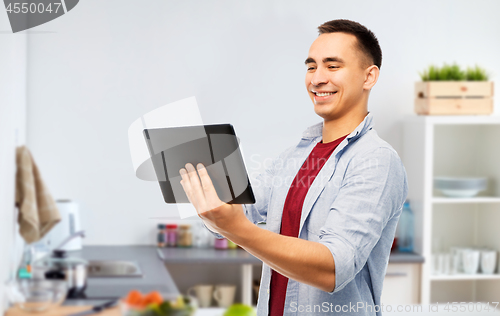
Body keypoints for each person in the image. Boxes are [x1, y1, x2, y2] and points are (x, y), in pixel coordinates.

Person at [179, 19, 408, 316]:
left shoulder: (377, 160)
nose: (317, 78)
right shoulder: (295, 157)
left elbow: (333, 269)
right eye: (311, 66)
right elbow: (240, 209)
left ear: (369, 77)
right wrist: (211, 198)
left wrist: (238, 228)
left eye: (332, 66)